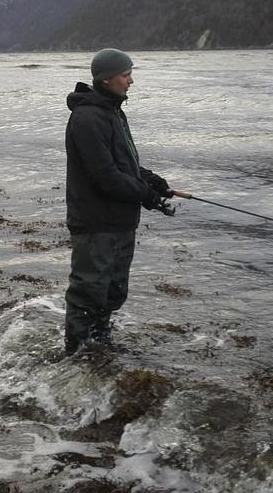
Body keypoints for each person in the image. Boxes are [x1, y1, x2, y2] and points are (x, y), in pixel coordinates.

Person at [63, 47, 186, 355]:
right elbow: (105, 177)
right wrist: (147, 195)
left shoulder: (113, 112)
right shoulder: (88, 119)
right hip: (96, 224)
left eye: (131, 74)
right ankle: (77, 357)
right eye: (126, 74)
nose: (131, 81)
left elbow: (124, 165)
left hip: (120, 221)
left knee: (113, 292)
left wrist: (155, 183)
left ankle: (99, 346)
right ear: (106, 80)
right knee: (89, 293)